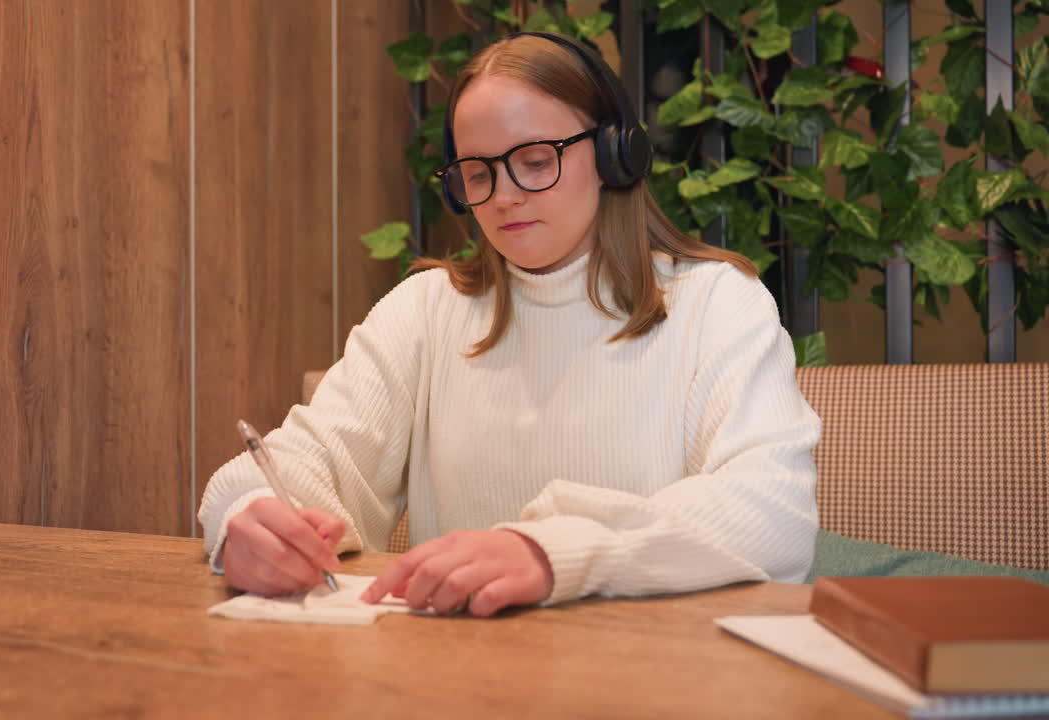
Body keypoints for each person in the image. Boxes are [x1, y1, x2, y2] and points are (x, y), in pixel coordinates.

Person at [198, 32, 821, 618]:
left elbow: (771, 509)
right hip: (458, 677)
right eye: (478, 171)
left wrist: (550, 553)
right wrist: (250, 515)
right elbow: (306, 461)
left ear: (615, 154)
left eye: (534, 159)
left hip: (653, 677)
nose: (502, 196)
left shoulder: (717, 304)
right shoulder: (425, 310)